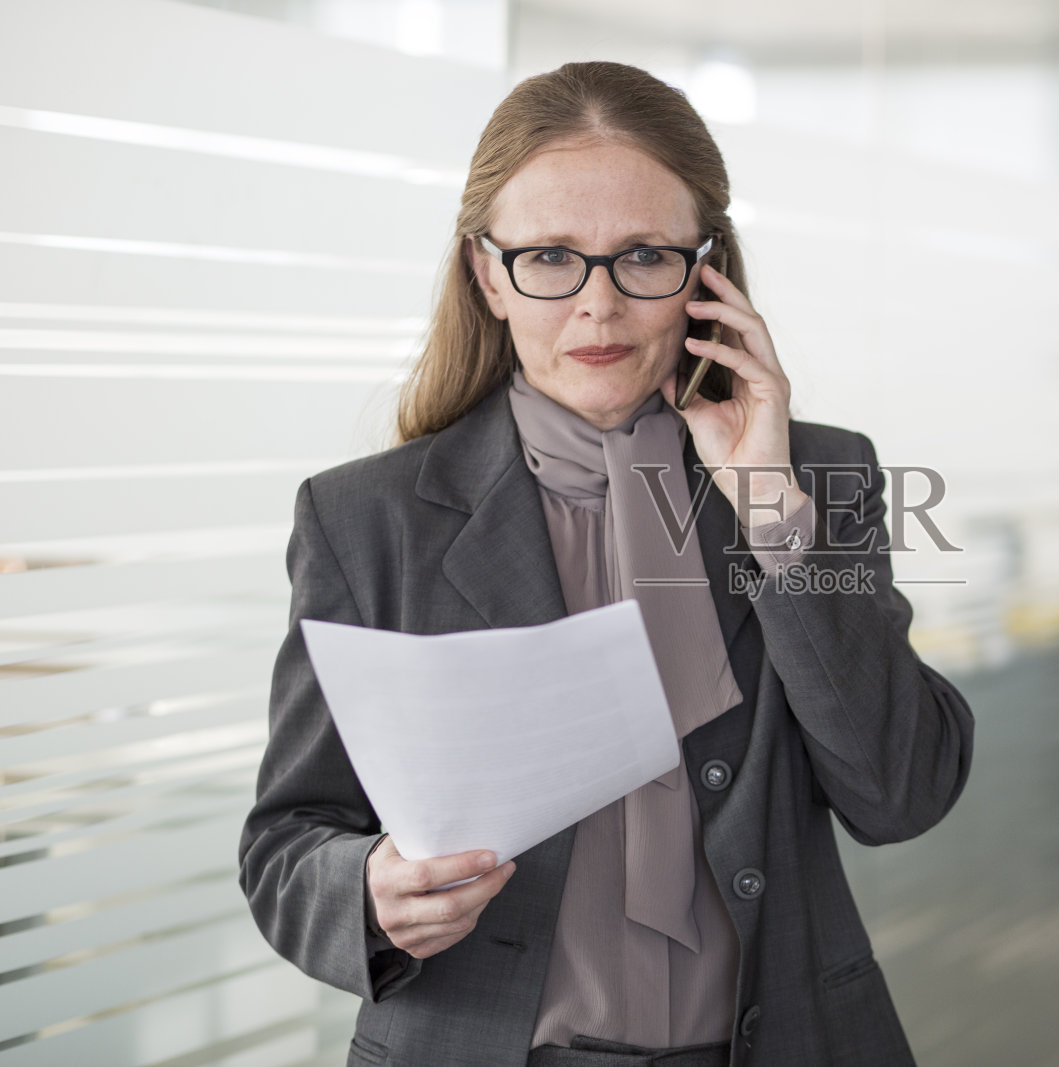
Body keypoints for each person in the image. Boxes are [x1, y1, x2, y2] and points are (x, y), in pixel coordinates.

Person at [237, 60, 975, 1067]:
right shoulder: (368, 518)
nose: (599, 306)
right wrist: (366, 891)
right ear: (487, 275)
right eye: (549, 256)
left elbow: (901, 791)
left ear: (706, 272)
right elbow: (287, 842)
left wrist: (772, 510)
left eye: (644, 256)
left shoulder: (817, 477)